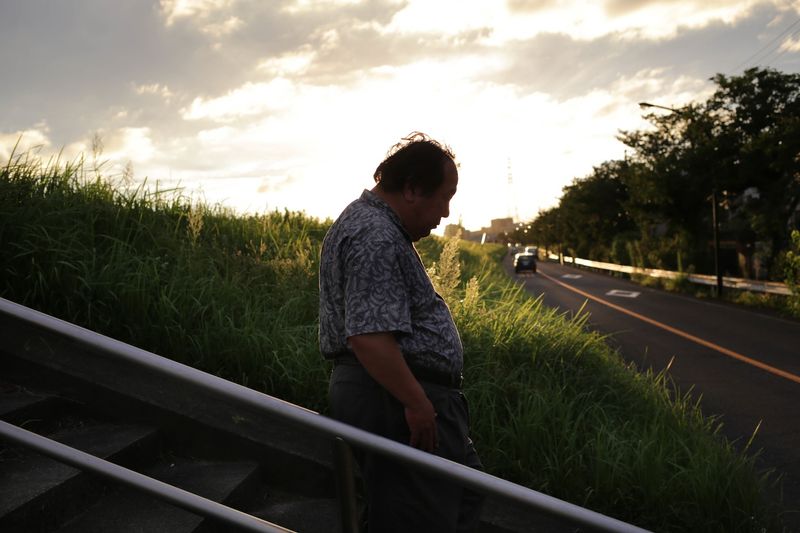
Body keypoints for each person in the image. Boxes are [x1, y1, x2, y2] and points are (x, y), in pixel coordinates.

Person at [319, 132, 484, 532]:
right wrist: (417, 403)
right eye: (444, 197)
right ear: (411, 189)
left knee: (461, 495)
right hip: (395, 398)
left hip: (398, 395)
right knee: (418, 518)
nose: (445, 213)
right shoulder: (375, 234)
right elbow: (369, 336)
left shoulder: (378, 228)